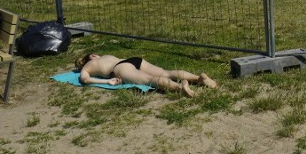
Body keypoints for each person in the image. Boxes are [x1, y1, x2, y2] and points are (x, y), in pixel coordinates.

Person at [75, 53, 217, 98]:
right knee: (165, 72)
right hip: (132, 60)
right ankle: (199, 79)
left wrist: (108, 81)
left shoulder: (87, 66)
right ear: (94, 55)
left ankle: (180, 87)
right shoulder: (106, 55)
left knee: (149, 80)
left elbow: (84, 79)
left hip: (119, 68)